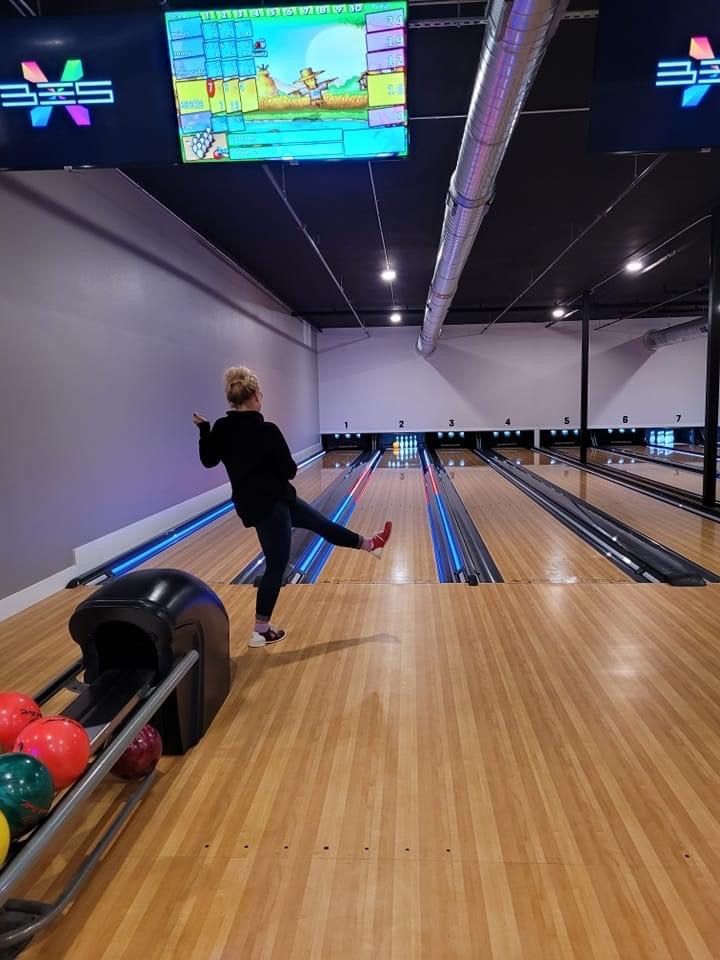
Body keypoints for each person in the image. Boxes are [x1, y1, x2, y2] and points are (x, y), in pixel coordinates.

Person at [193, 367, 392, 648]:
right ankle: (260, 630)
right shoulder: (267, 430)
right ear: (252, 396)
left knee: (322, 525)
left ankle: (372, 545)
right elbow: (289, 470)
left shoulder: (222, 429)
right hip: (270, 506)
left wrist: (204, 430)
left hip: (266, 502)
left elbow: (209, 460)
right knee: (276, 566)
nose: (262, 399)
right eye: (260, 395)